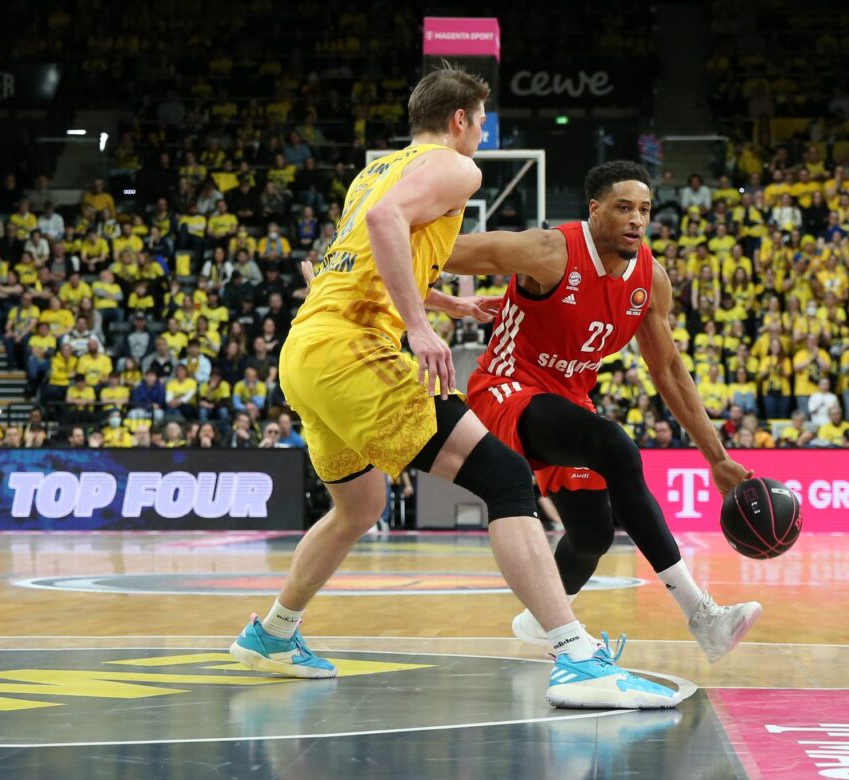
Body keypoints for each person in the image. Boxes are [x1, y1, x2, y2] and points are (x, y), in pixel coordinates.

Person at [229, 67, 676, 709]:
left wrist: (449, 306)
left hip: (306, 351)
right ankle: (578, 659)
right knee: (505, 478)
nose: (485, 131)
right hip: (354, 349)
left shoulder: (375, 170)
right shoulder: (456, 169)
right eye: (482, 118)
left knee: (358, 506)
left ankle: (272, 632)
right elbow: (386, 224)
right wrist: (419, 327)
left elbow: (359, 250)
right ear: (461, 120)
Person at [445, 161, 761, 663]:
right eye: (623, 208)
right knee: (614, 445)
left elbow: (671, 374)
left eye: (644, 210)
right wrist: (409, 263)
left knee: (591, 536)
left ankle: (538, 622)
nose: (637, 219)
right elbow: (444, 251)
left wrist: (716, 457)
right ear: (595, 210)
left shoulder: (649, 278)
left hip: (567, 399)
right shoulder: (550, 251)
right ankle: (702, 614)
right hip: (505, 390)